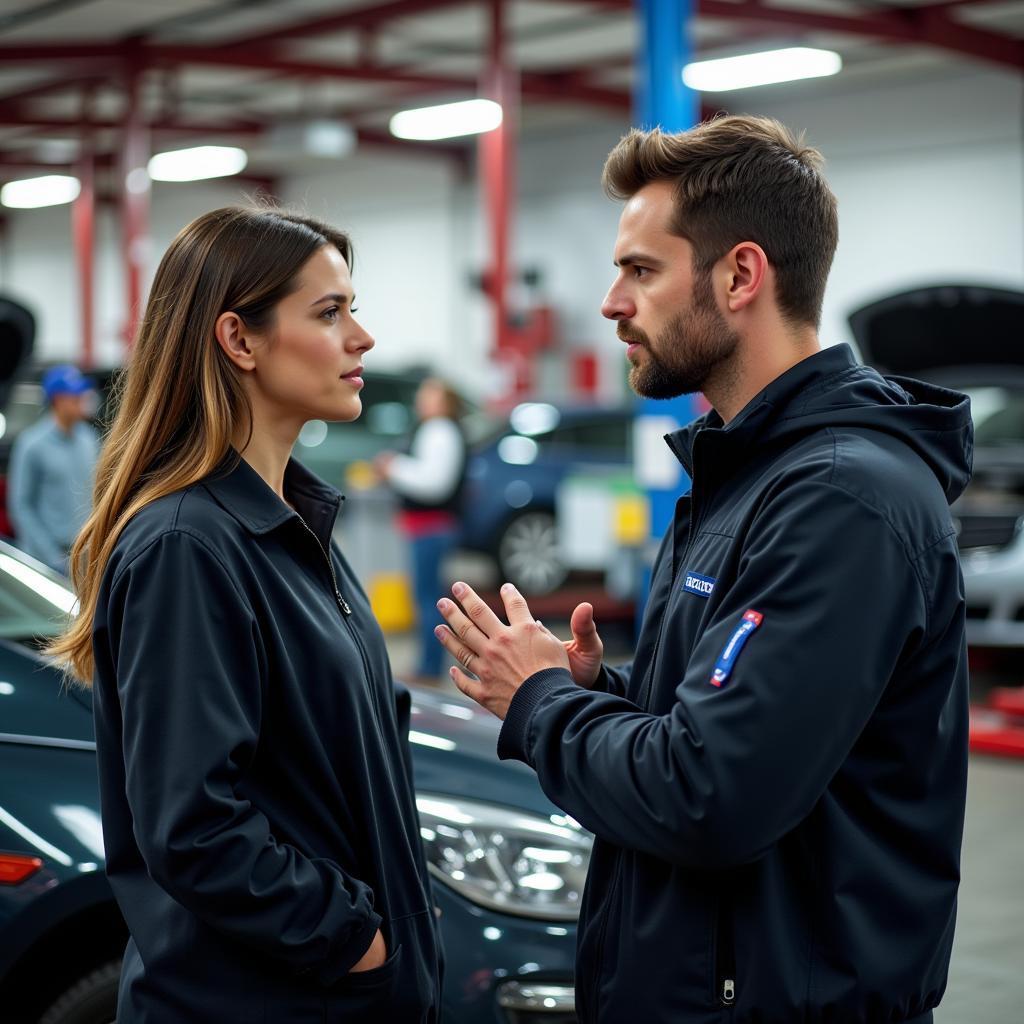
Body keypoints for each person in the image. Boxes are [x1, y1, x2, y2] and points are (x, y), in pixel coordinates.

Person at [433, 115, 972, 1024]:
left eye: (641, 271)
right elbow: (740, 713)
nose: (611, 303)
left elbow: (709, 795)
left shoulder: (840, 501)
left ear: (739, 276)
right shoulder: (746, 475)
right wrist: (602, 691)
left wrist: (541, 704)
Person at [46, 207, 442, 1023]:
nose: (362, 339)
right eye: (330, 313)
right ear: (240, 339)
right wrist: (353, 940)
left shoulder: (295, 529)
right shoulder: (187, 546)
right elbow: (194, 828)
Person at [375, 378, 467, 684]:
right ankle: (429, 663)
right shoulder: (440, 430)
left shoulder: (439, 431)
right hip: (429, 526)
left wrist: (394, 468)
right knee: (428, 596)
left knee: (428, 599)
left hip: (431, 526)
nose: (421, 400)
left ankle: (429, 667)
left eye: (429, 395)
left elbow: (434, 482)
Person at [7, 363, 99, 573]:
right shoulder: (31, 445)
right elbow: (21, 505)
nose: (82, 400)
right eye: (75, 396)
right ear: (58, 400)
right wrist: (51, 556)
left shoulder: (89, 440)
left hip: (82, 556)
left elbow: (95, 493)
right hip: (44, 562)